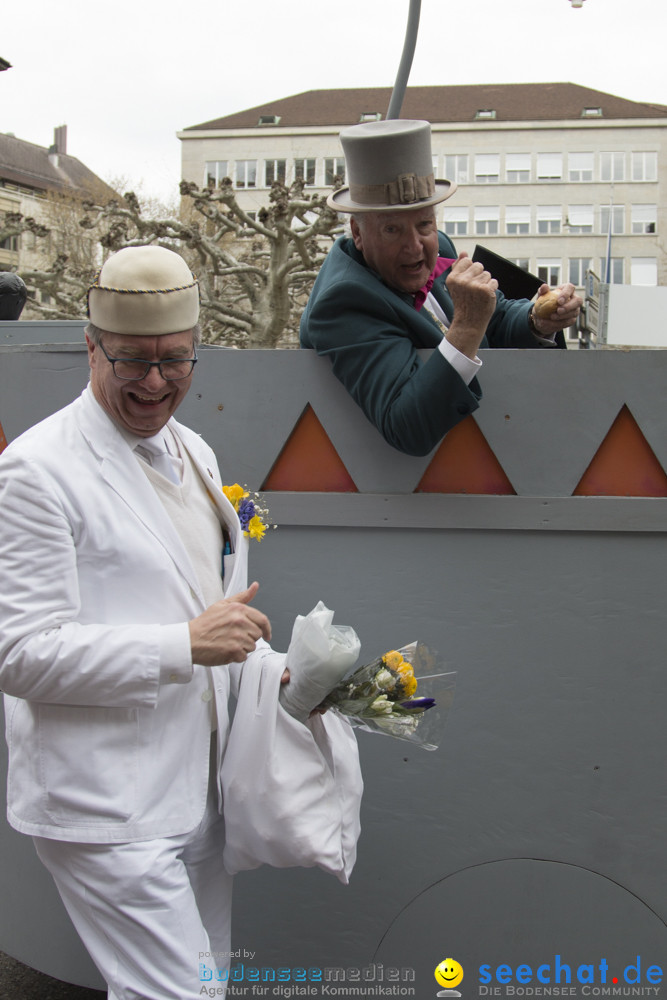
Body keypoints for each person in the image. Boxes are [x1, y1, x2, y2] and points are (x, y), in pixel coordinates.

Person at [0, 246, 360, 1000]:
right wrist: (182, 645)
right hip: (103, 805)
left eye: (174, 360)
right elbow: (20, 654)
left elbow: (207, 618)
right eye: (131, 361)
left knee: (203, 986)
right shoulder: (36, 471)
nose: (155, 382)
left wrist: (279, 675)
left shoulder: (192, 449)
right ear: (91, 347)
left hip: (196, 793)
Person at [300, 119, 582, 456]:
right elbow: (406, 428)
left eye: (424, 224)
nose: (416, 247)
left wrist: (538, 320)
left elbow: (494, 315)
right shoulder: (343, 302)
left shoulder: (438, 247)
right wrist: (465, 326)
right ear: (357, 233)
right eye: (392, 230)